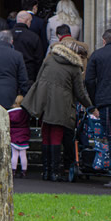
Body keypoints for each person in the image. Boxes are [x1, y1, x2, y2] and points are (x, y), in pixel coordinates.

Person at [22, 42, 92, 182]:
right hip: (62, 103)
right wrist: (91, 107)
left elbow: (39, 79)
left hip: (44, 101)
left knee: (46, 134)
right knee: (56, 135)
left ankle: (46, 171)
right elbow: (80, 92)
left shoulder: (49, 59)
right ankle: (54, 173)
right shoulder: (74, 67)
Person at [85, 29, 111, 188]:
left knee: (109, 135)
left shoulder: (97, 55)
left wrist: (94, 101)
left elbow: (89, 80)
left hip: (105, 101)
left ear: (103, 40)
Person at [12, 11, 44, 82]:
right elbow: (39, 59)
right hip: (28, 73)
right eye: (30, 21)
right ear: (27, 21)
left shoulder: (7, 35)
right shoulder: (34, 37)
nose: (30, 23)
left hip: (11, 72)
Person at [8, 96, 30, 178]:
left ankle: (13, 170)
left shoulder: (10, 113)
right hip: (23, 134)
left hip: (14, 134)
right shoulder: (25, 113)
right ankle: (24, 171)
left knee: (14, 154)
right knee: (23, 154)